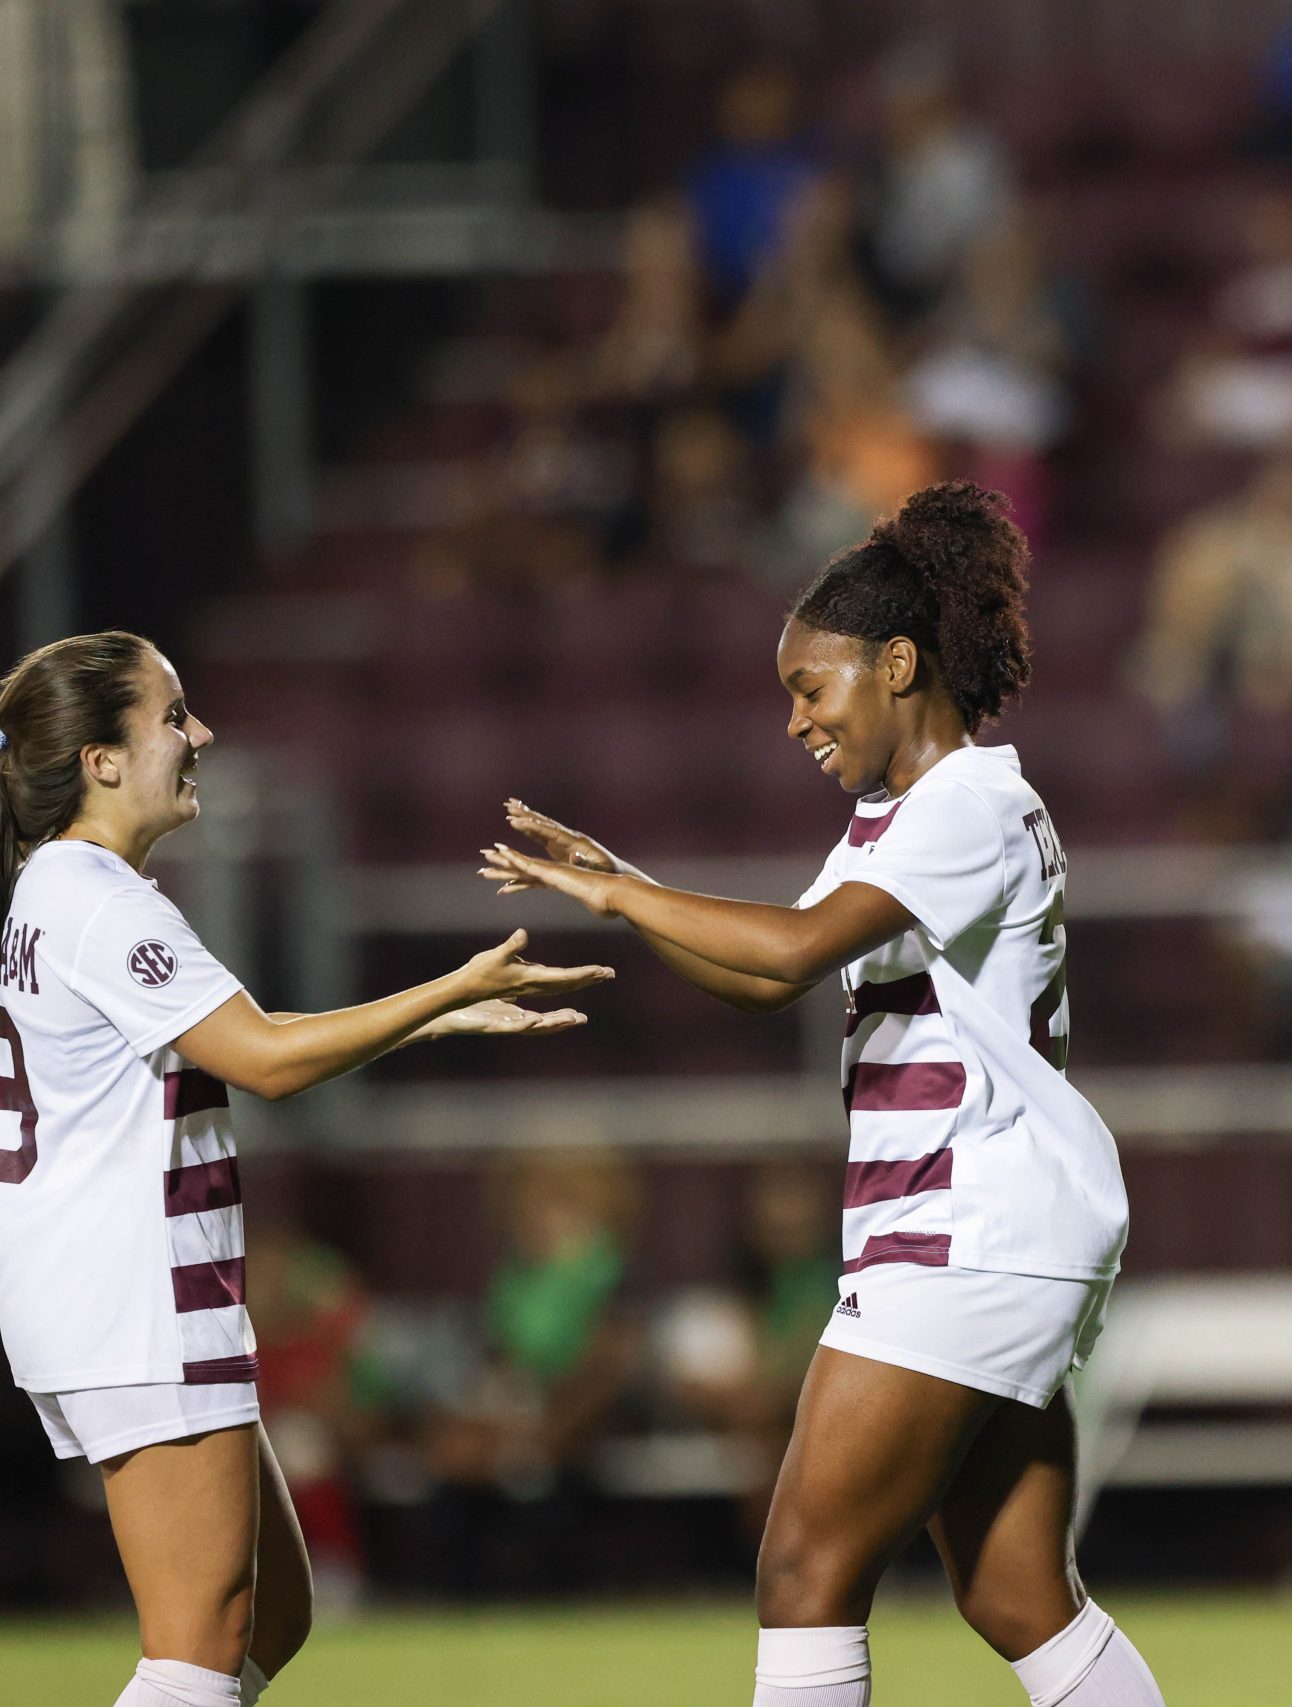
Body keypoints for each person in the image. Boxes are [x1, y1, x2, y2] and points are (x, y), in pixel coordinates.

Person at [480, 483, 1164, 1707]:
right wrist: (623, 880)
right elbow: (766, 981)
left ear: (897, 663)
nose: (795, 720)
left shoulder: (962, 803)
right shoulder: (905, 818)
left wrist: (625, 898)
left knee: (802, 1571)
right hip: (993, 1229)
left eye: (811, 686)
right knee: (1017, 1599)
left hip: (966, 1231)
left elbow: (792, 949)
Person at [0, 632, 607, 1707]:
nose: (201, 736)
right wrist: (450, 988)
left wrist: (424, 1026)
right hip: (133, 1298)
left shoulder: (51, 888)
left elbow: (244, 1033)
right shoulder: (97, 896)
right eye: (174, 716)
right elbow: (267, 1062)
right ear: (100, 759)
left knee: (272, 1615)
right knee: (195, 1643)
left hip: (94, 1295)